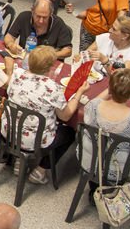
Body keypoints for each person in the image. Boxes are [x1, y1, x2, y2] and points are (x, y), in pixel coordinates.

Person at [6, 46, 86, 184]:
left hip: (9, 131)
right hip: (35, 141)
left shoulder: (16, 75)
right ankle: (41, 169)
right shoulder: (52, 88)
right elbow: (65, 116)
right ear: (50, 68)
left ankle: (20, 159)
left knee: (25, 118)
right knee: (69, 132)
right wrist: (79, 93)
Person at [5, 0, 73, 60]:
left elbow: (68, 51)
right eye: (38, 16)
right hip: (25, 59)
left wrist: (51, 55)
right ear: (32, 11)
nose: (41, 21)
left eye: (45, 17)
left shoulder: (59, 23)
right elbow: (9, 37)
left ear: (51, 14)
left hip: (47, 63)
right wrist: (11, 45)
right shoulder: (24, 17)